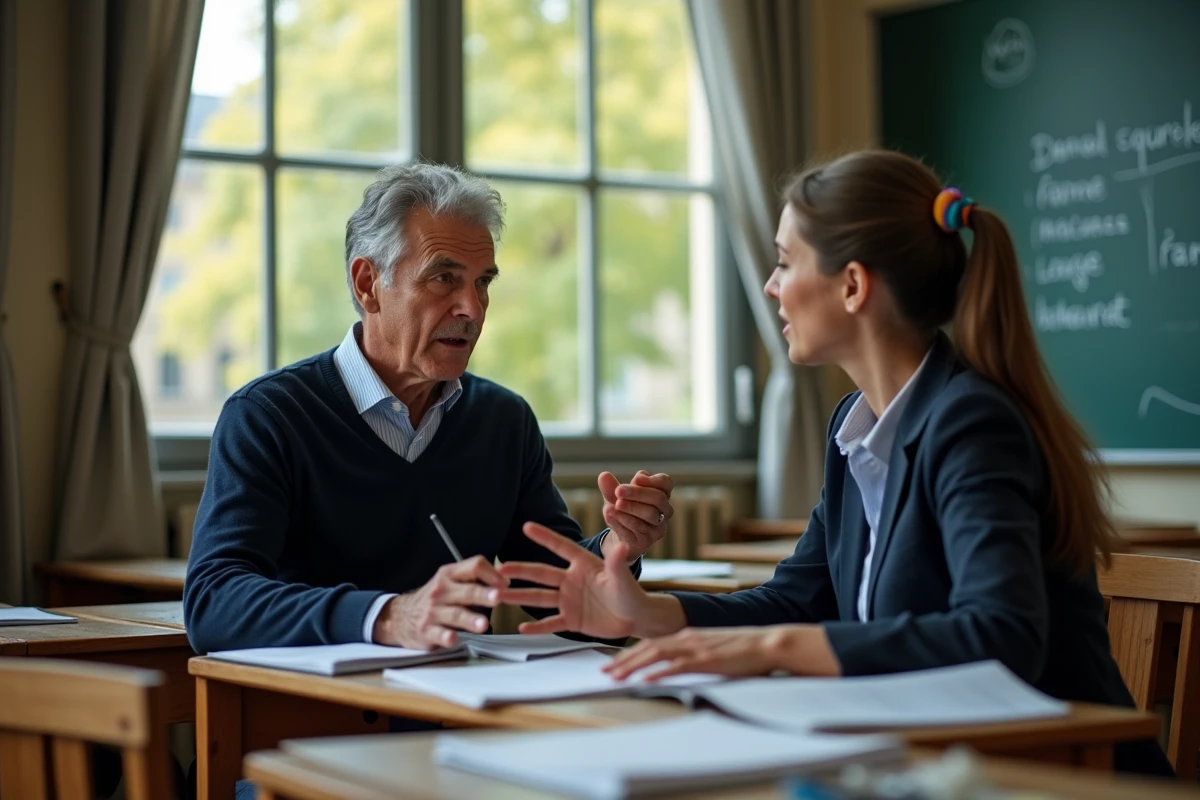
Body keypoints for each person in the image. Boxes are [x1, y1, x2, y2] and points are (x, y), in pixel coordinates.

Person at [494, 149, 1173, 776]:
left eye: (786, 262)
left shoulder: (971, 421)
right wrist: (644, 614)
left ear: (852, 286)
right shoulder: (856, 428)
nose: (770, 286)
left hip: (1062, 774)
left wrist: (775, 651)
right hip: (942, 764)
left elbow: (1001, 634)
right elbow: (796, 599)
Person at [183, 163, 675, 655]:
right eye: (444, 278)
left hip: (465, 705)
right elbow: (215, 603)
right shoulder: (269, 415)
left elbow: (563, 606)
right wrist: (390, 616)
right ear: (367, 284)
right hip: (319, 715)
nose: (473, 309)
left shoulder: (503, 421)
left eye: (483, 283)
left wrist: (617, 547)